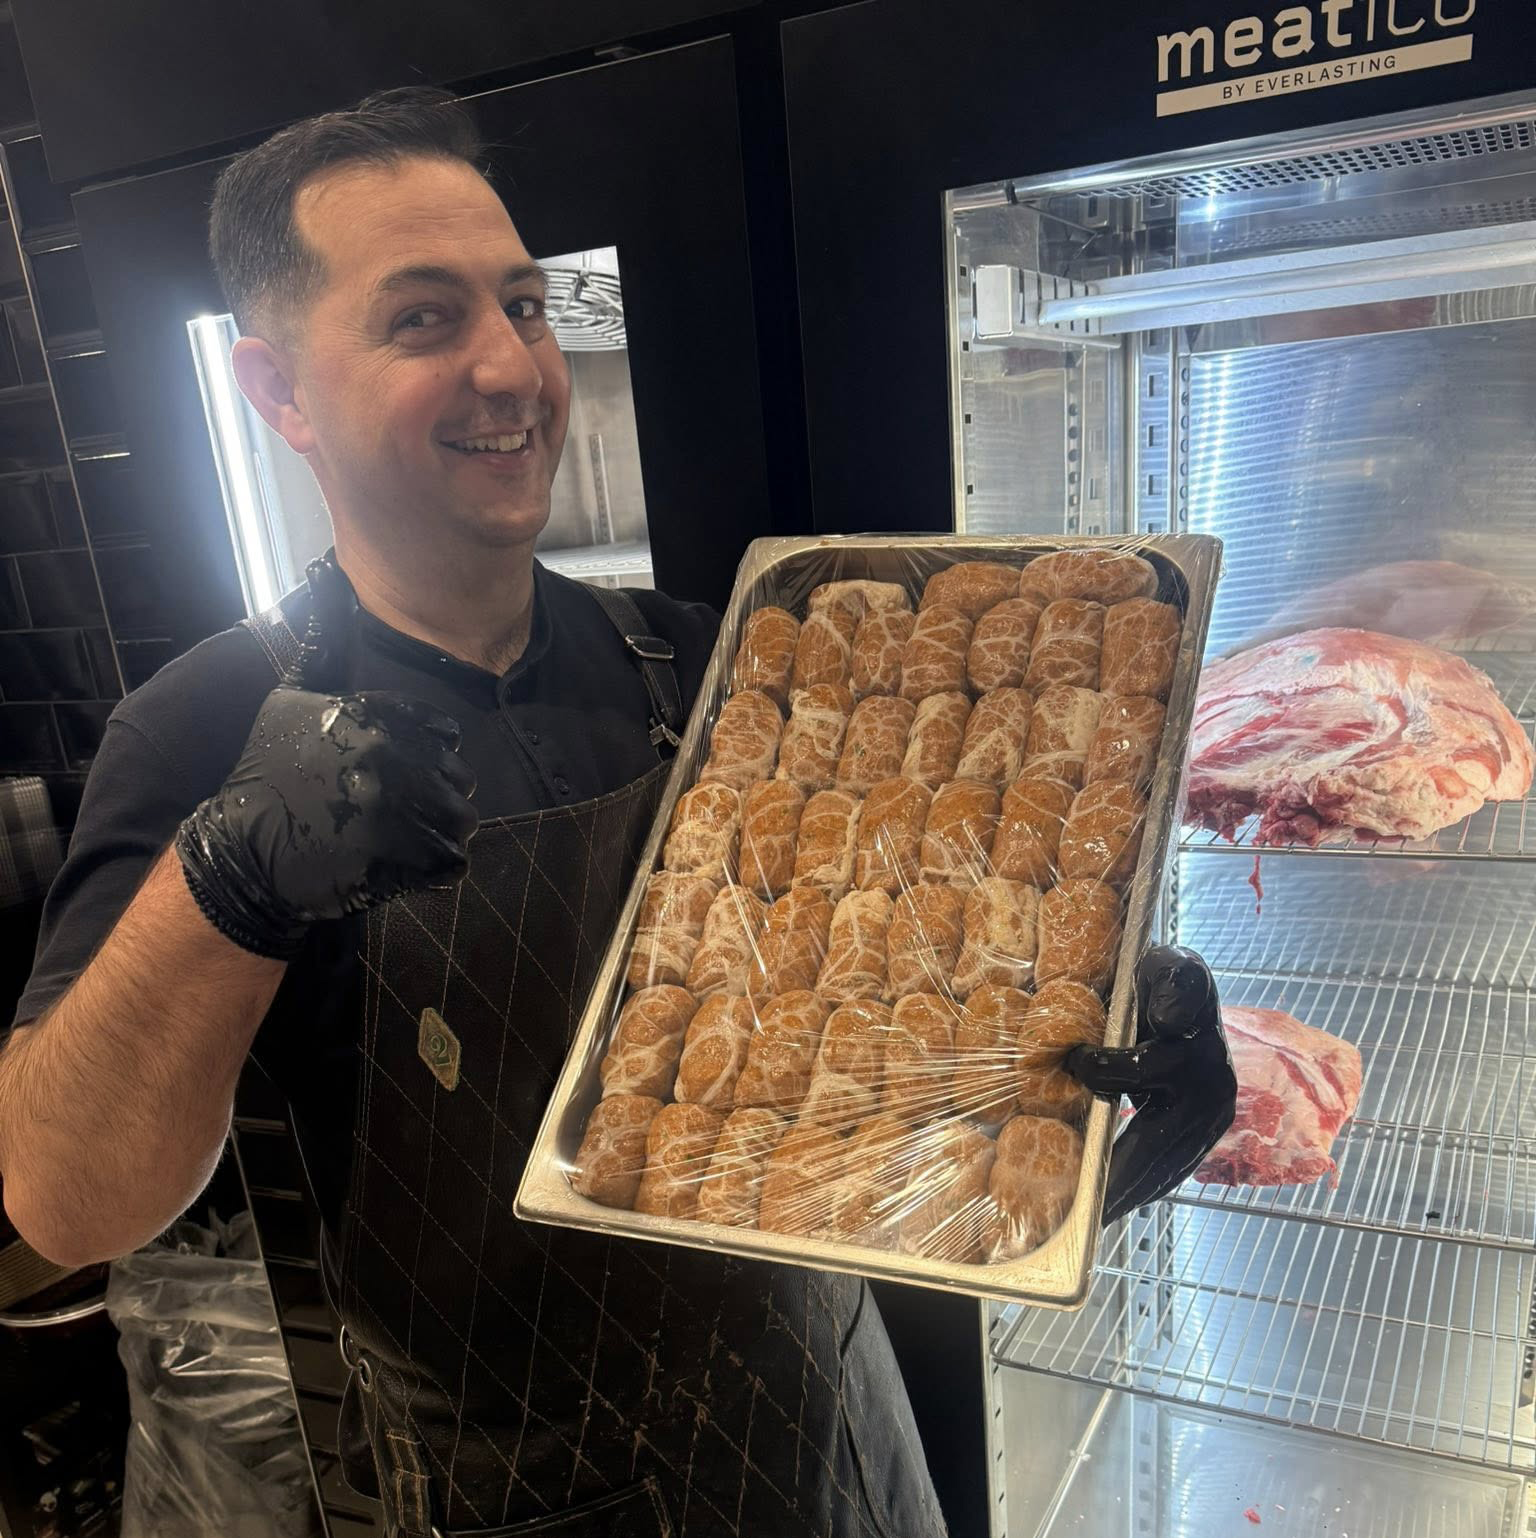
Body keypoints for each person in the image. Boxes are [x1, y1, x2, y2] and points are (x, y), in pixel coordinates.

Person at [0, 88, 1232, 1538]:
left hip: (819, 1432)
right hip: (510, 1492)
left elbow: (898, 972)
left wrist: (1089, 1034)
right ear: (277, 393)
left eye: (523, 306)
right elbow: (62, 1199)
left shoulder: (702, 660)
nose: (511, 366)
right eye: (422, 319)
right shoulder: (201, 728)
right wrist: (227, 883)